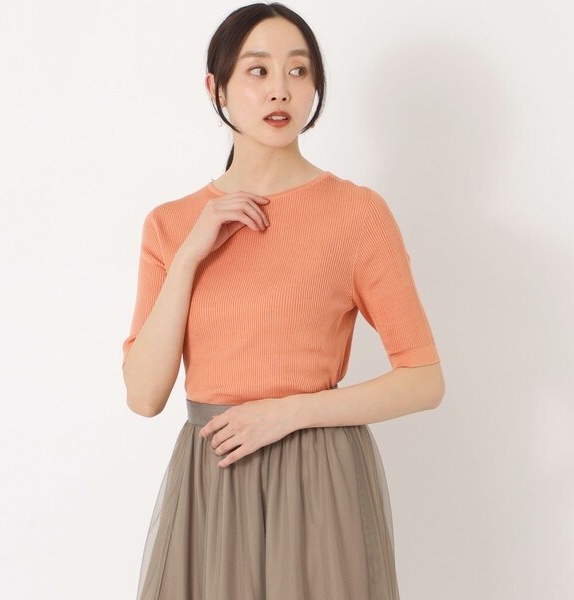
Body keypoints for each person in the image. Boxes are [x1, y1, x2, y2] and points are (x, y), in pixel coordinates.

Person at [122, 3, 445, 599]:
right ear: (216, 89)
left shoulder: (357, 214)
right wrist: (190, 255)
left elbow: (424, 379)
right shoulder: (170, 226)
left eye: (298, 71)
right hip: (213, 479)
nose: (281, 90)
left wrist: (289, 412)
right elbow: (144, 397)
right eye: (258, 70)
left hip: (319, 479)